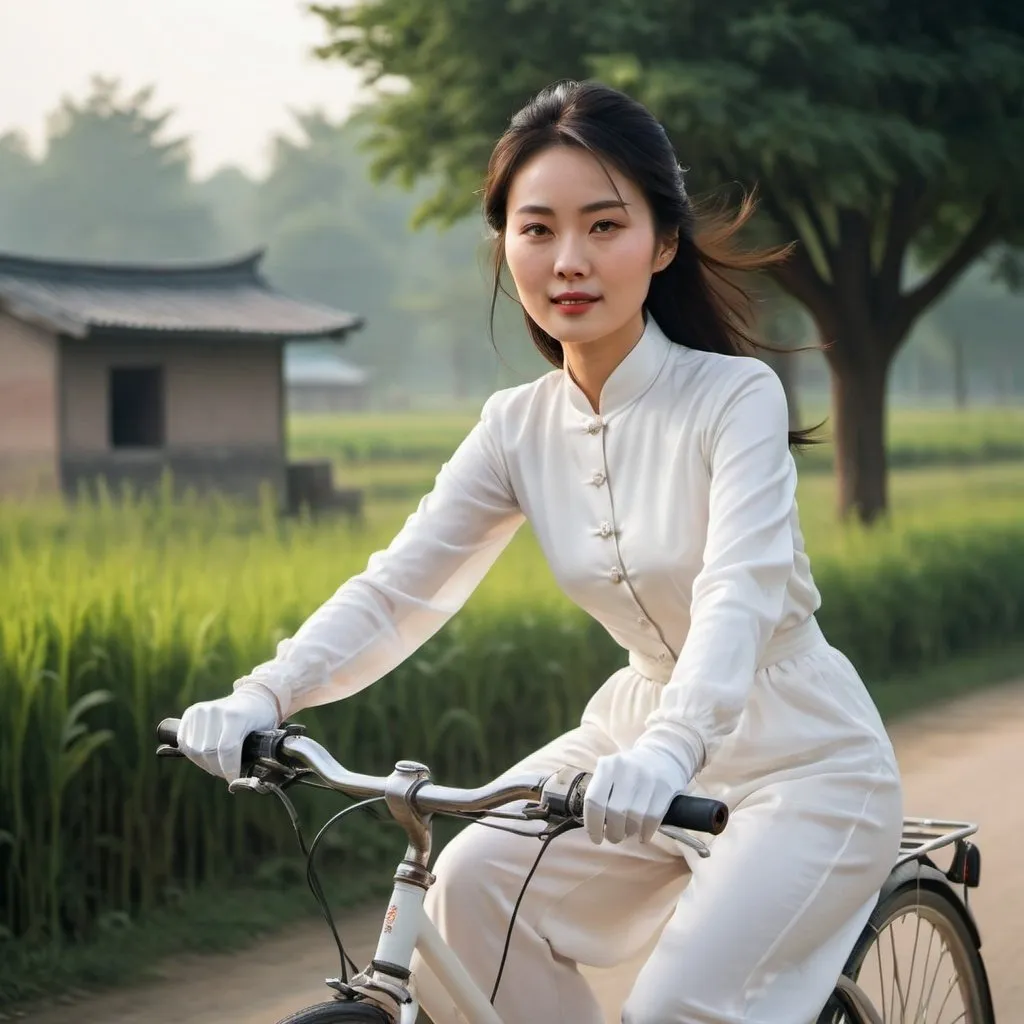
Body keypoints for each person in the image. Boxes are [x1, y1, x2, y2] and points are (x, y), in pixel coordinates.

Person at [177, 80, 904, 1023]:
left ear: (664, 242)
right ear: (506, 243)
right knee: (470, 889)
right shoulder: (515, 427)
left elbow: (739, 591)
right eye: (537, 229)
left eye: (605, 227)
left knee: (675, 1010)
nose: (570, 261)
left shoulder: (734, 398)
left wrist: (676, 747)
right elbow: (401, 588)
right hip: (631, 735)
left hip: (800, 757)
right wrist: (264, 693)